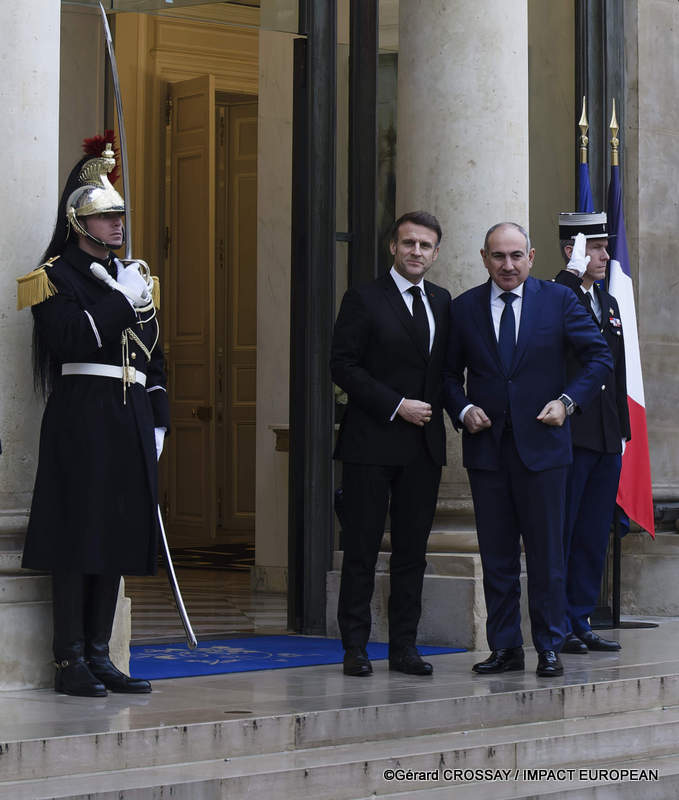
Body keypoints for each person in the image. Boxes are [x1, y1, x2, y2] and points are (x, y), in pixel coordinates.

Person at [17, 139, 169, 697]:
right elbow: (70, 339)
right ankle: (69, 659)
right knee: (79, 534)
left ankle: (101, 653)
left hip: (129, 415)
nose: (117, 224)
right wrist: (121, 300)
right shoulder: (54, 277)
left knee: (119, 532)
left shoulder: (134, 275)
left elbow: (157, 356)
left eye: (120, 215)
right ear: (79, 220)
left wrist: (159, 419)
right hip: (82, 414)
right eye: (106, 216)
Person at [443, 222, 612, 677]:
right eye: (498, 256)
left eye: (516, 256)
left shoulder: (558, 301)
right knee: (496, 556)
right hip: (488, 452)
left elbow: (600, 357)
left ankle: (550, 645)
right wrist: (462, 409)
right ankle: (505, 648)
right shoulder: (464, 309)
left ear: (532, 257)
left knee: (546, 556)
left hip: (545, 451)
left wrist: (567, 402)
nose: (508, 265)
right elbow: (445, 376)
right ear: (484, 258)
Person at [331, 211, 451, 677]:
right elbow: (342, 366)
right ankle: (355, 648)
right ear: (393, 248)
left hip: (423, 449)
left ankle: (404, 647)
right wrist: (396, 404)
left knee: (412, 554)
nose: (416, 251)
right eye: (408, 243)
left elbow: (444, 370)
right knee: (361, 550)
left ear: (436, 253)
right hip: (370, 444)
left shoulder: (442, 301)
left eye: (425, 245)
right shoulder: (363, 298)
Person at [555, 212, 630, 654]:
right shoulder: (556, 295)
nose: (605, 255)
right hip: (572, 433)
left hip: (604, 436)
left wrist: (621, 429)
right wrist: (570, 275)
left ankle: (580, 617)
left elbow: (614, 372)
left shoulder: (609, 302)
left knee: (592, 530)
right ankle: (558, 621)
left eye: (604, 247)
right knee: (563, 529)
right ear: (574, 251)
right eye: (597, 248)